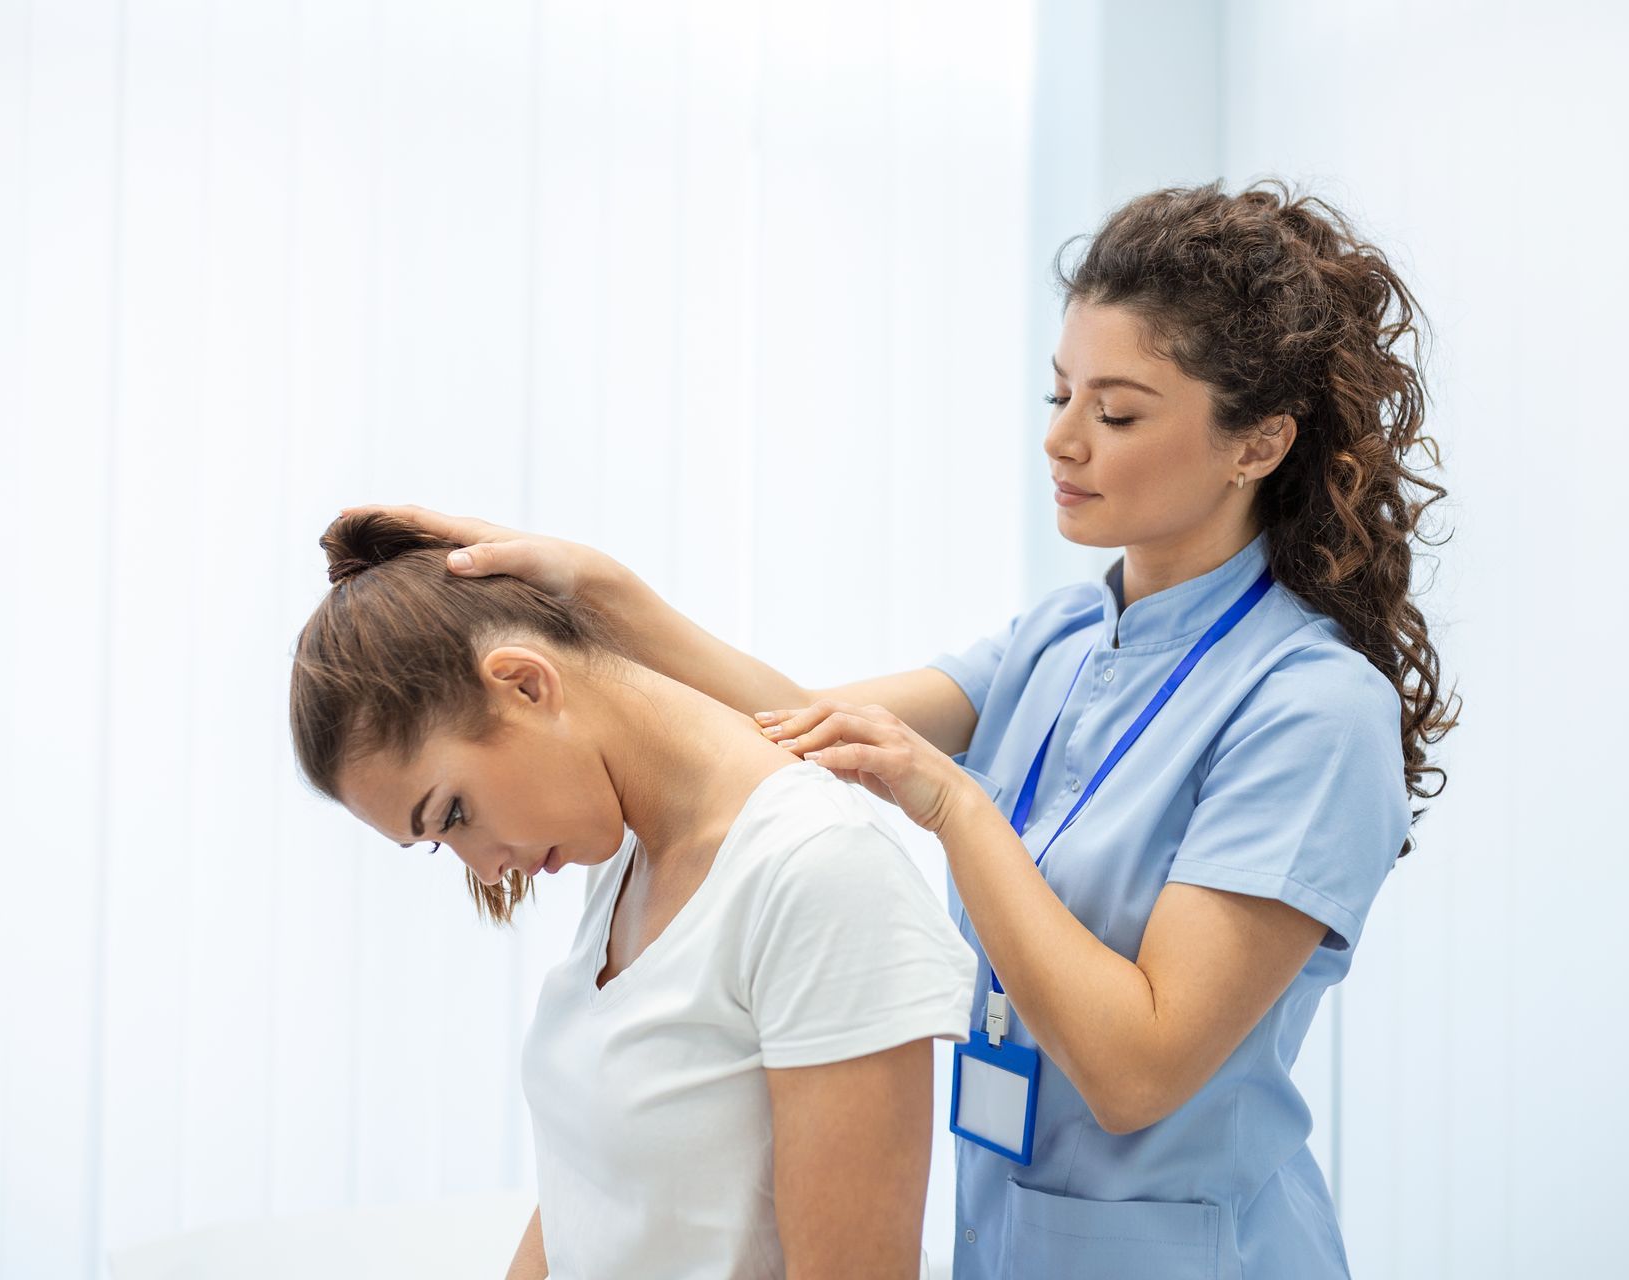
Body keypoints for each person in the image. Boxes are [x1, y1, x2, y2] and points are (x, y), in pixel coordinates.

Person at [348, 177, 1457, 1279]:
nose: (1063, 442)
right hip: (1005, 1244)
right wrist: (598, 594)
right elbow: (800, 728)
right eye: (1058, 395)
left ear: (1258, 442)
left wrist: (949, 801)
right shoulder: (1067, 635)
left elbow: (1138, 1068)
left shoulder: (1313, 708)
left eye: (1116, 412)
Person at [287, 512, 977, 1280]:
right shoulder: (626, 856)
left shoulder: (817, 871)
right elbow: (598, 1188)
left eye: (453, 813)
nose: (483, 870)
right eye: (439, 844)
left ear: (524, 683)